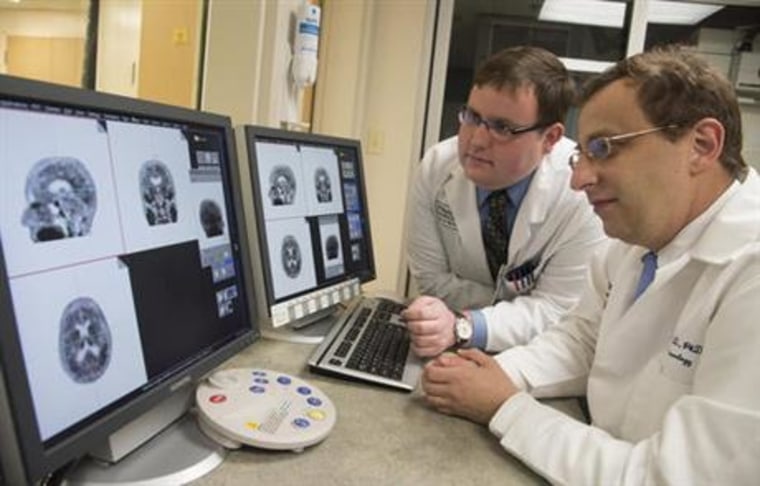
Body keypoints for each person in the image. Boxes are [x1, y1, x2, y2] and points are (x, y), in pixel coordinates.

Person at [420, 45, 760, 484]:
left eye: (604, 147)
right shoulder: (638, 243)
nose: (579, 179)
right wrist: (495, 374)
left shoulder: (748, 270)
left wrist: (506, 407)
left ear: (701, 145)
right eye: (583, 153)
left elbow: (669, 477)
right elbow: (583, 340)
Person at [403, 46, 605, 356]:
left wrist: (467, 324)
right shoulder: (436, 167)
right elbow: (431, 279)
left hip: (538, 354)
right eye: (472, 117)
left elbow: (558, 308)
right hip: (442, 343)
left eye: (502, 127)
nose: (477, 140)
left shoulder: (580, 191)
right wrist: (517, 308)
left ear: (550, 138)